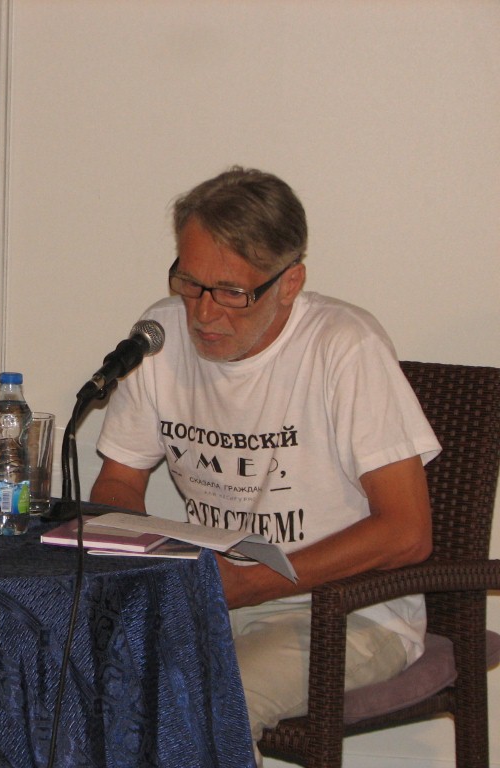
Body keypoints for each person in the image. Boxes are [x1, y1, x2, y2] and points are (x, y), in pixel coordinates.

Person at [89, 167, 440, 761]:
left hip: (345, 613)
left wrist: (251, 583)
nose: (204, 313)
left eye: (232, 292)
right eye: (189, 282)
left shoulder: (343, 346)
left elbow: (408, 532)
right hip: (212, 597)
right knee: (78, 682)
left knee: (206, 706)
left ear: (289, 281)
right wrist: (146, 562)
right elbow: (118, 481)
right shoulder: (160, 336)